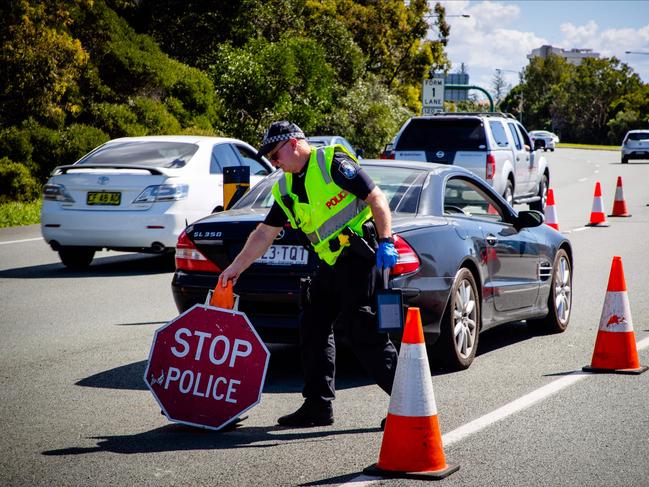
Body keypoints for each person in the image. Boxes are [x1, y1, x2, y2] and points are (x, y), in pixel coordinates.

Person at [218, 121, 399, 427]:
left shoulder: (333, 163)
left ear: (293, 144)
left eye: (276, 156)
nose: (275, 163)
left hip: (359, 257)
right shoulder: (286, 186)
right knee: (312, 323)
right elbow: (264, 233)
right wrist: (235, 269)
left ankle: (407, 402)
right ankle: (318, 406)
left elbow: (376, 199)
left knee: (361, 329)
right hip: (329, 263)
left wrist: (386, 241)